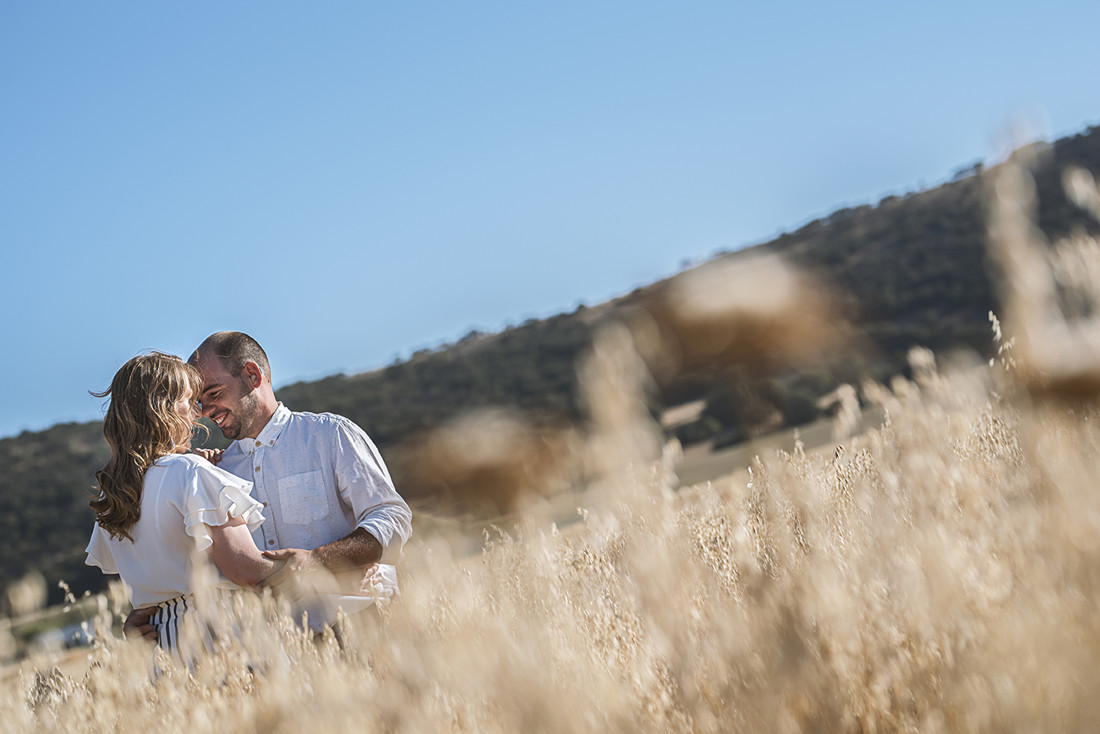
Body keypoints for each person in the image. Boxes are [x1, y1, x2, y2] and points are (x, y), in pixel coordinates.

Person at [127, 331, 412, 638]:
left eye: (214, 393)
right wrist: (156, 617)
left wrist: (319, 561)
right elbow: (198, 571)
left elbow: (392, 518)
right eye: (198, 401)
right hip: (277, 651)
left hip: (365, 622)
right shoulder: (213, 474)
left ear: (252, 375)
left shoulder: (330, 435)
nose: (206, 412)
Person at [85, 353, 282, 662]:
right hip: (224, 637)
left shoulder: (115, 498)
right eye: (189, 401)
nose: (198, 414)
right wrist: (319, 569)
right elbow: (246, 570)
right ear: (161, 409)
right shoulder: (190, 472)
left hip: (162, 648)